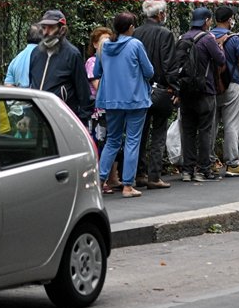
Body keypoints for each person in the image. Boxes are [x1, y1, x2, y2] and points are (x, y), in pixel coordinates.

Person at [93, 12, 154, 198]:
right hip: (135, 98)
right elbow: (149, 71)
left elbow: (97, 71)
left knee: (112, 140)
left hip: (111, 99)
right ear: (130, 28)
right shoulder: (135, 45)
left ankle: (100, 182)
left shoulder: (104, 46)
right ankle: (128, 185)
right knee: (132, 141)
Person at [132, 0, 178, 189]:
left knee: (139, 133)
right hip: (160, 90)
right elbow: (169, 64)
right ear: (160, 14)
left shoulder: (135, 33)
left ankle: (138, 173)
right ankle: (154, 175)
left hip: (138, 89)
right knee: (158, 133)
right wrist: (174, 87)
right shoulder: (165, 34)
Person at [177, 7, 226, 182]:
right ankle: (204, 169)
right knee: (205, 130)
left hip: (186, 91)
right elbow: (221, 60)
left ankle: (187, 170)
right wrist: (220, 46)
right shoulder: (208, 39)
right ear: (206, 21)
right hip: (205, 90)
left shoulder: (182, 38)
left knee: (188, 131)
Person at [29, 10, 93, 127]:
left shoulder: (72, 54)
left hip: (63, 120)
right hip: (37, 117)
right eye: (44, 28)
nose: (46, 32)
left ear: (62, 29)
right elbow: (31, 83)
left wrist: (82, 123)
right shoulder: (36, 53)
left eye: (51, 28)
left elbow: (84, 93)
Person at [211, 5, 239, 177]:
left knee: (210, 125)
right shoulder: (235, 39)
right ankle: (232, 163)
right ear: (229, 20)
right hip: (232, 85)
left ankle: (208, 162)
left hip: (211, 87)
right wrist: (237, 78)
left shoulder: (207, 36)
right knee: (232, 125)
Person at [84, 26, 114, 182]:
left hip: (111, 107)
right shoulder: (92, 62)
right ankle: (99, 178)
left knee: (112, 141)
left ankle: (112, 178)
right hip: (99, 109)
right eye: (102, 41)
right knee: (100, 142)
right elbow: (98, 86)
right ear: (95, 44)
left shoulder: (111, 60)